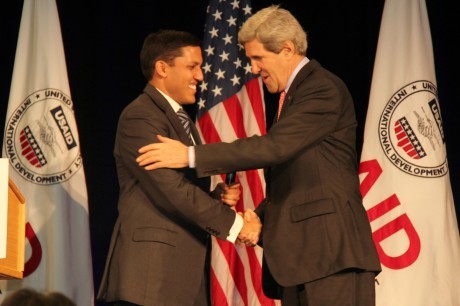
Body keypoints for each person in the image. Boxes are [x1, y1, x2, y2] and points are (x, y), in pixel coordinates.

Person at [136, 6, 382, 306]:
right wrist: (260, 217)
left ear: (287, 49)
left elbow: (274, 147)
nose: (253, 69)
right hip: (304, 262)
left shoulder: (322, 89)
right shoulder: (291, 98)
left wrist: (190, 156)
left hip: (332, 257)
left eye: (258, 58)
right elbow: (299, 177)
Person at [96, 29, 261, 306]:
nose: (199, 76)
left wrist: (214, 198)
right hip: (151, 276)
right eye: (192, 67)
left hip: (181, 274)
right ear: (162, 68)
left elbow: (178, 186)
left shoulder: (180, 119)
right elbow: (170, 188)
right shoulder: (141, 116)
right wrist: (235, 224)